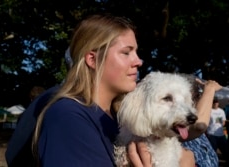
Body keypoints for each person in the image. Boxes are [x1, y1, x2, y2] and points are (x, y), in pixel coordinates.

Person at [30, 14, 195, 167]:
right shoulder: (69, 117)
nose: (139, 61)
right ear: (92, 59)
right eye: (126, 52)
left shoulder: (116, 119)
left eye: (136, 52)